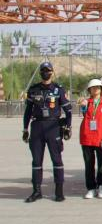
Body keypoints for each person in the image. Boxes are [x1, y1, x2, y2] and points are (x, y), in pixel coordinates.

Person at [22, 62, 72, 203]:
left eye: (48, 70)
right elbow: (28, 111)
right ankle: (36, 191)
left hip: (53, 126)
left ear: (52, 72)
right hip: (37, 127)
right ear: (40, 73)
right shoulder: (33, 90)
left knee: (57, 159)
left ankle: (59, 191)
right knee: (36, 161)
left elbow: (68, 110)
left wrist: (68, 127)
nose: (45, 72)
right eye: (43, 70)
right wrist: (25, 129)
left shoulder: (58, 89)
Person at [79, 79, 102, 199]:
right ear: (89, 90)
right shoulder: (86, 102)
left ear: (101, 89)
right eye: (93, 87)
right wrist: (83, 105)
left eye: (98, 87)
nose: (96, 89)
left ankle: (101, 186)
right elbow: (83, 111)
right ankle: (91, 188)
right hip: (87, 137)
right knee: (89, 164)